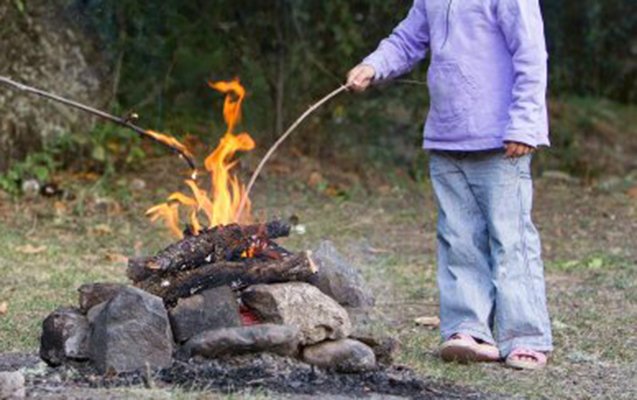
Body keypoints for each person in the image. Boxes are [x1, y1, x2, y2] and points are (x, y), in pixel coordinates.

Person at [346, 0, 553, 370]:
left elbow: (531, 54)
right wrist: (373, 65)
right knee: (458, 239)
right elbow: (407, 39)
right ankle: (468, 329)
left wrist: (525, 124)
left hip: (501, 142)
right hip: (446, 138)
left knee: (511, 241)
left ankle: (525, 336)